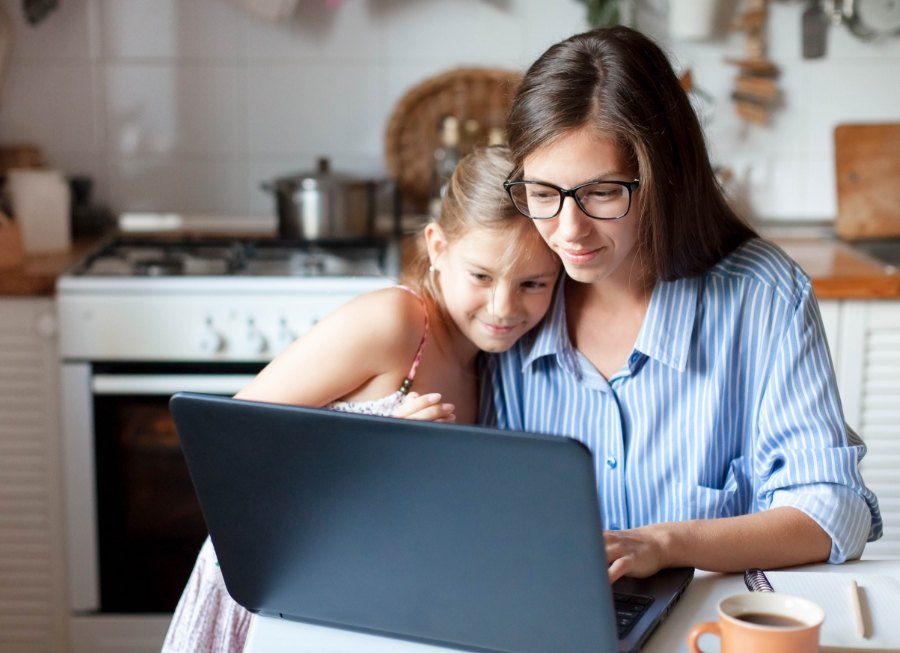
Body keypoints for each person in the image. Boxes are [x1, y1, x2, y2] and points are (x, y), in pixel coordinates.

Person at [483, 26, 882, 583]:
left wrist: (666, 543)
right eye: (543, 193)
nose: (567, 230)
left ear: (663, 178)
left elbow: (832, 511)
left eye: (601, 193)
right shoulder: (510, 296)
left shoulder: (763, 298)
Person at [161, 146, 561, 652]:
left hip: (352, 597)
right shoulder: (397, 323)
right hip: (268, 590)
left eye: (533, 284)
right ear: (437, 247)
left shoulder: (493, 366)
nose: (504, 307)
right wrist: (383, 450)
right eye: (481, 276)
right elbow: (223, 439)